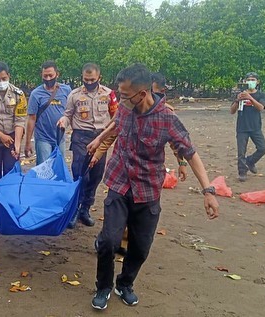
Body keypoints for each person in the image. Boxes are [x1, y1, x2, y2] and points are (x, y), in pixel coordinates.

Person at [86, 64, 219, 310]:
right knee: (108, 241)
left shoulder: (167, 118)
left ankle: (124, 283)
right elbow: (116, 124)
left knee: (141, 246)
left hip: (147, 189)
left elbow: (190, 152)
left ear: (143, 93)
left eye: (125, 95)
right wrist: (99, 138)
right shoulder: (125, 108)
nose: (120, 99)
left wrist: (208, 191)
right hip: (119, 182)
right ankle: (103, 286)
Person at [57, 63, 118, 228]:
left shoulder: (109, 94)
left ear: (99, 77)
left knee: (96, 175)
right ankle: (74, 209)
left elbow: (116, 116)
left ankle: (85, 208)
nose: (89, 82)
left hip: (100, 137)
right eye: (86, 79)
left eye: (92, 79)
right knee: (80, 174)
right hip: (81, 138)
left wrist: (107, 135)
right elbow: (68, 114)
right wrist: (63, 121)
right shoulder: (74, 95)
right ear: (82, 78)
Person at [0, 61, 28, 184]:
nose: (1, 82)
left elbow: (20, 120)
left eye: (4, 78)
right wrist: (1, 136)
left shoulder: (18, 94)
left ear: (9, 75)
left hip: (12, 139)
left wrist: (17, 145)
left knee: (11, 174)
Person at [25, 60, 72, 164]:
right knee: (44, 169)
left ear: (57, 74)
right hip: (43, 138)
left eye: (50, 75)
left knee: (59, 167)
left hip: (60, 137)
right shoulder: (36, 94)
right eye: (45, 76)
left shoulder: (66, 90)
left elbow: (70, 111)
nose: (48, 79)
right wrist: (28, 142)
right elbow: (31, 119)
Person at [230, 72, 265, 182]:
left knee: (262, 148)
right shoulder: (240, 94)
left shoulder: (261, 95)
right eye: (248, 79)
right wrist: (238, 100)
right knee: (241, 151)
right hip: (242, 127)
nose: (251, 82)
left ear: (257, 81)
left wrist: (250, 98)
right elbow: (232, 111)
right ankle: (242, 172)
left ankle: (250, 161)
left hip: (255, 127)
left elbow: (261, 107)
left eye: (253, 79)